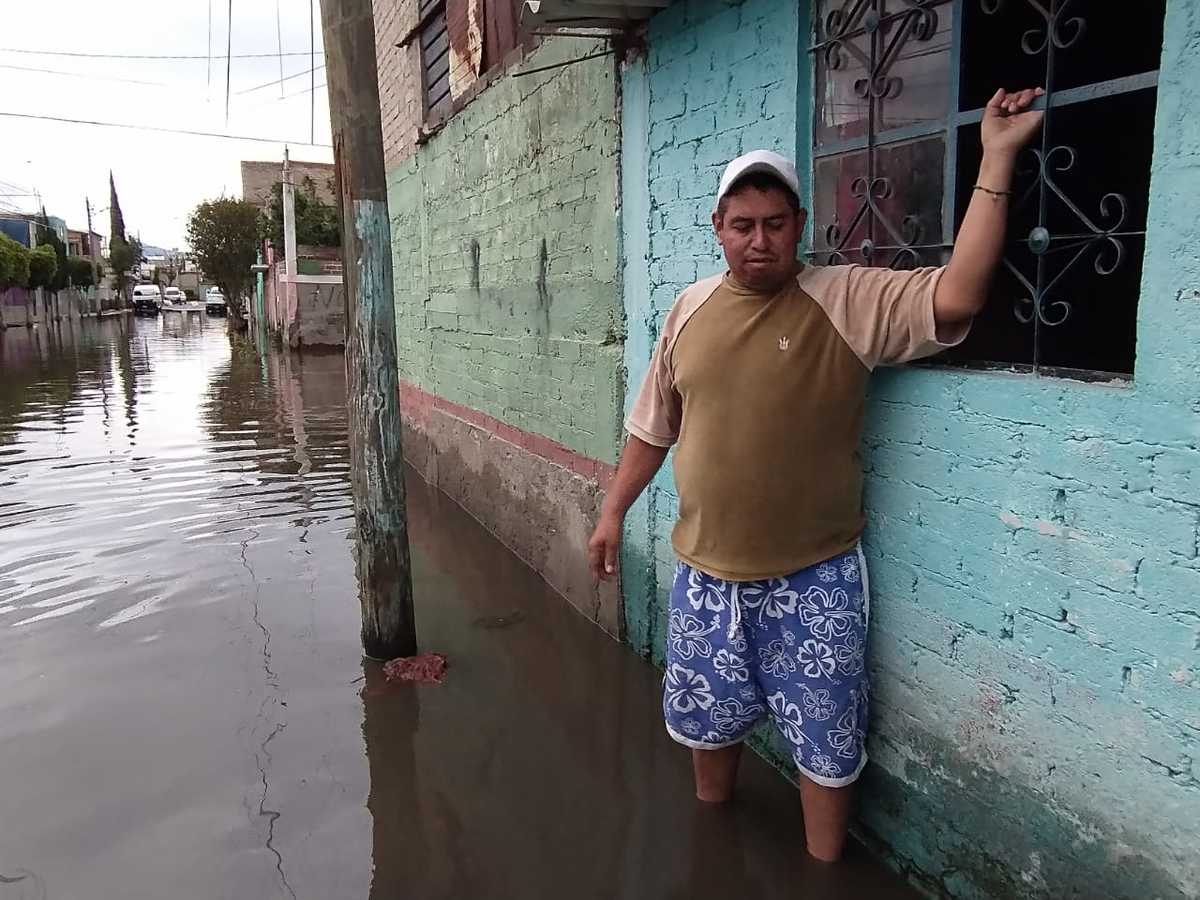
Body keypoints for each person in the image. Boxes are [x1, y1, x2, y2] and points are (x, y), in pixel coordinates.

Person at [588, 87, 1045, 862]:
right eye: (742, 226)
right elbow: (652, 428)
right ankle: (715, 852)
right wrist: (612, 514)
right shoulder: (689, 309)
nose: (758, 241)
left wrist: (996, 158)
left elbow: (958, 293)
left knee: (826, 748)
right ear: (718, 230)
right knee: (708, 729)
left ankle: (822, 871)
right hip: (705, 576)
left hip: (815, 579)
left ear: (799, 226)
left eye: (774, 224)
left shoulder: (846, 298)